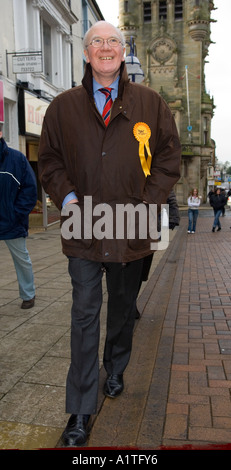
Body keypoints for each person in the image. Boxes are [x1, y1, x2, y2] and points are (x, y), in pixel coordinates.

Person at [38, 21, 181, 447]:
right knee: (84, 315)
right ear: (86, 53)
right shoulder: (61, 108)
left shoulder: (151, 104)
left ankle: (116, 366)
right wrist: (67, 200)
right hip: (83, 226)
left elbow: (168, 160)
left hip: (130, 225)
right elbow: (48, 161)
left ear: (123, 52)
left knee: (121, 309)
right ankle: (80, 410)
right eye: (96, 41)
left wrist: (147, 203)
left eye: (112, 41)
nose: (105, 48)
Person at [0, 125, 37, 309]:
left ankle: (28, 294)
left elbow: (30, 189)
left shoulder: (17, 159)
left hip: (11, 222)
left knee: (22, 260)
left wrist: (16, 213)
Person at [134, 189, 180, 319]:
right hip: (130, 229)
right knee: (130, 269)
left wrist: (173, 218)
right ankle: (128, 302)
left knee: (143, 269)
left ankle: (132, 301)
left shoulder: (154, 173)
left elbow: (169, 195)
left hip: (152, 231)